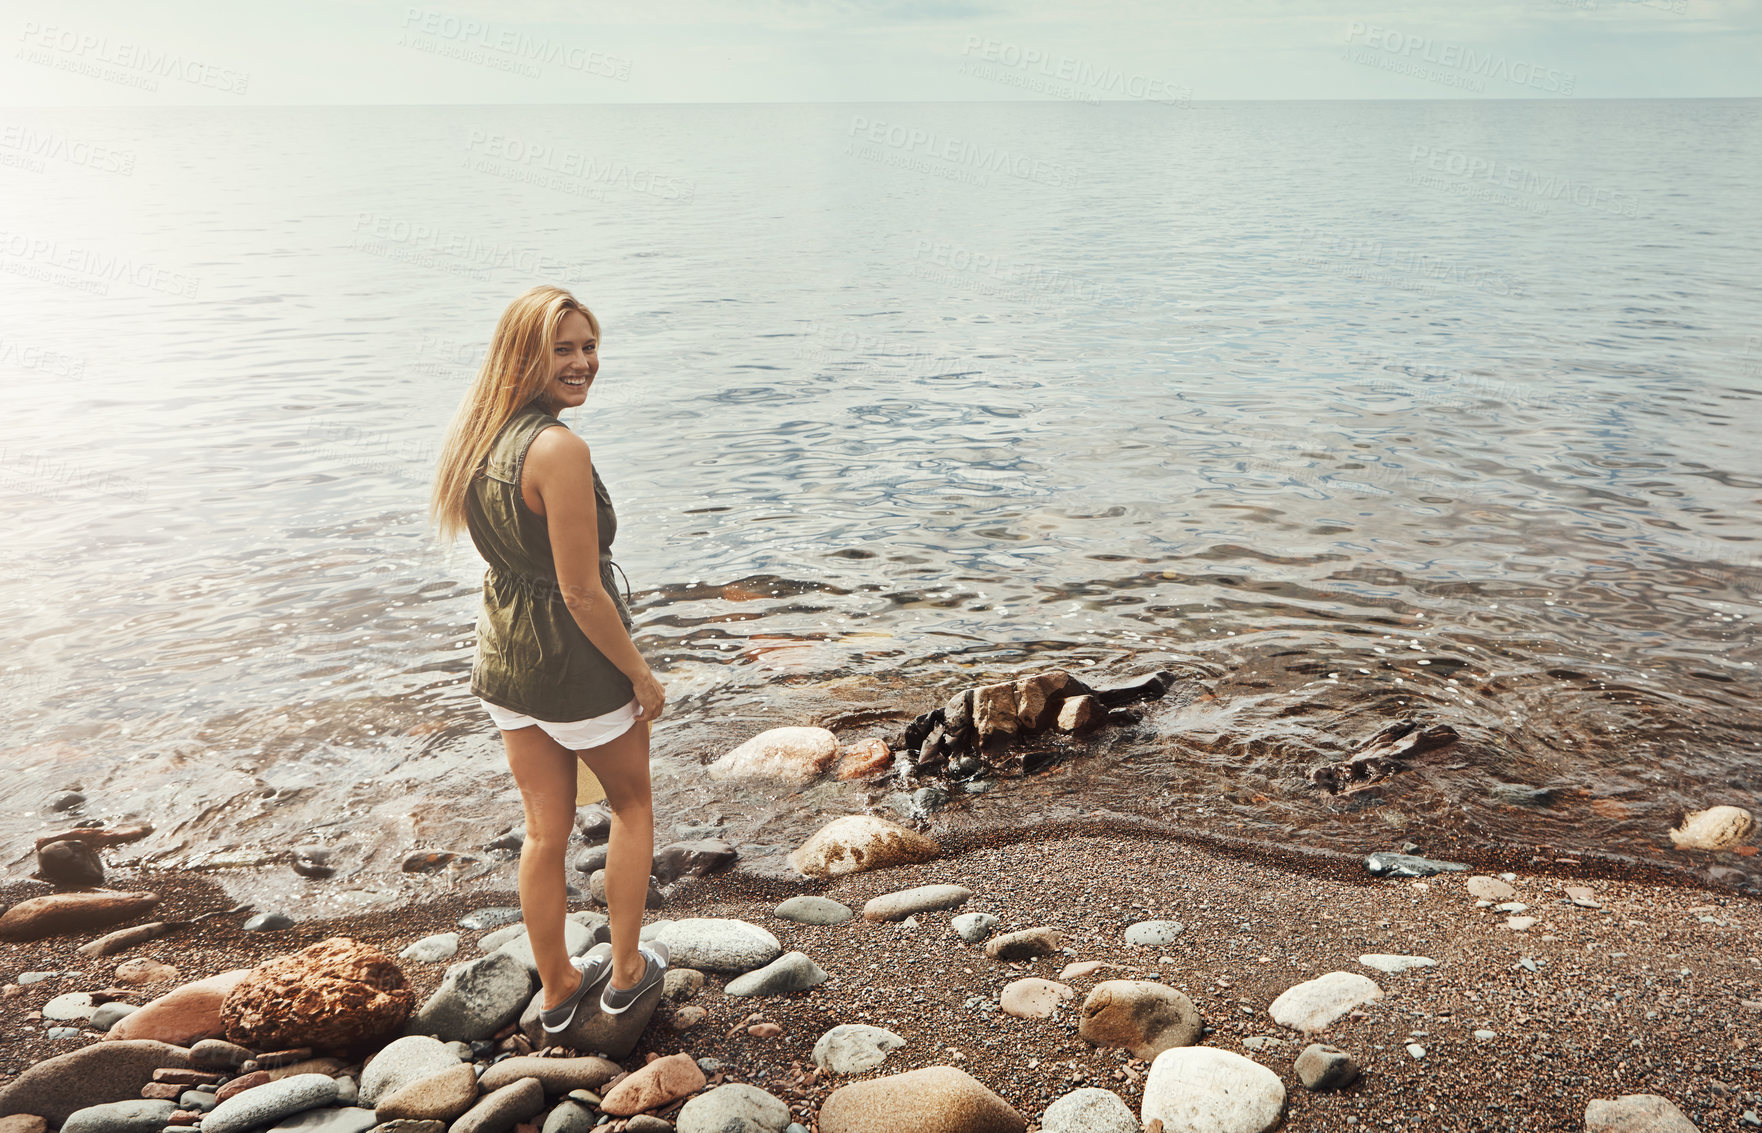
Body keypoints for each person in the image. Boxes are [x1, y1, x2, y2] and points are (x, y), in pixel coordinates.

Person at [428, 284, 669, 1032]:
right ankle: (626, 972)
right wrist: (639, 673)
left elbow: (519, 565)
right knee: (630, 804)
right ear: (524, 356)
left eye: (589, 346)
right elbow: (581, 592)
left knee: (545, 829)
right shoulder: (557, 447)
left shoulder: (480, 436)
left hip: (505, 659)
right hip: (573, 664)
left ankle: (560, 987)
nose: (582, 362)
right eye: (563, 348)